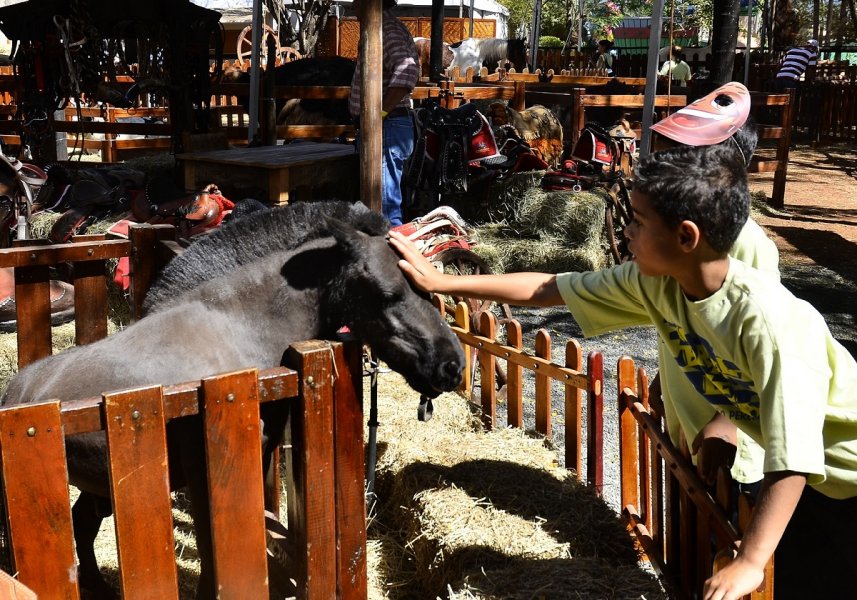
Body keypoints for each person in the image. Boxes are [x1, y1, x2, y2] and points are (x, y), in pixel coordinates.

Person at [390, 140, 857, 600]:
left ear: (686, 236)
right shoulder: (660, 284)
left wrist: (752, 562)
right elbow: (549, 288)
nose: (626, 232)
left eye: (637, 221)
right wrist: (439, 279)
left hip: (843, 470)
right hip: (813, 482)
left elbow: (794, 455)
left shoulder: (770, 323)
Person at [349, 0, 419, 226]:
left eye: (357, 1)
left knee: (385, 206)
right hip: (385, 124)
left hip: (387, 126)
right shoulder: (380, 29)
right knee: (380, 203)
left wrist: (378, 115)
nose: (353, 6)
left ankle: (392, 255)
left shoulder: (386, 30)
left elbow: (406, 73)